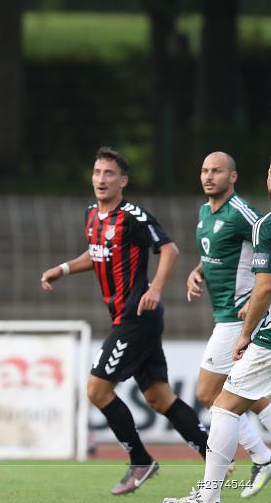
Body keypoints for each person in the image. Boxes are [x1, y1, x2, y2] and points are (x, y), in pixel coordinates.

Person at [40, 147, 208, 496]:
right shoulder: (91, 215)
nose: (101, 179)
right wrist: (64, 269)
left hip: (137, 316)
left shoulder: (132, 216)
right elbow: (97, 252)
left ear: (123, 181)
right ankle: (215, 454)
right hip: (125, 316)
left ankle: (141, 460)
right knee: (160, 398)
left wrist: (157, 288)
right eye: (97, 172)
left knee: (97, 389)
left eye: (109, 174)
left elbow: (170, 249)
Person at [164, 158, 271, 503]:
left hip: (240, 316)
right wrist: (198, 269)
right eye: (205, 171)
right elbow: (219, 253)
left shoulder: (249, 216)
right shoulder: (205, 212)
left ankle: (254, 463)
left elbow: (264, 270)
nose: (209, 177)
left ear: (234, 176)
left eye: (217, 171)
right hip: (231, 312)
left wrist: (252, 309)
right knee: (240, 397)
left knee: (215, 398)